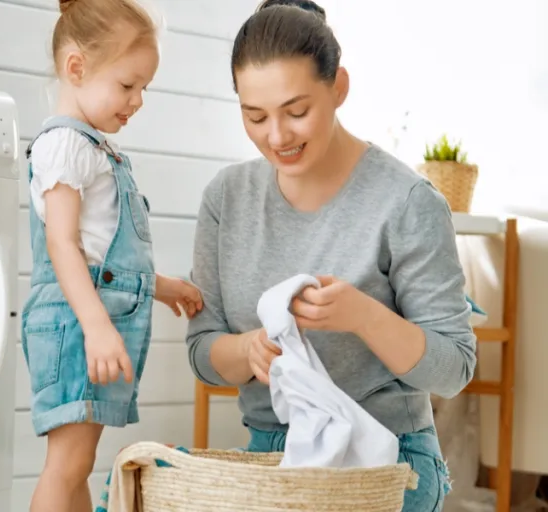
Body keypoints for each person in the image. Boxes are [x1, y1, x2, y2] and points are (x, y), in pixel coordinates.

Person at [185, 1, 474, 510]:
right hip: (272, 454)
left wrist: (363, 315)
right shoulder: (226, 198)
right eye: (255, 116)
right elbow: (203, 350)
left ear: (338, 87)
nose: (277, 137)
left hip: (387, 460)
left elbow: (453, 369)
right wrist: (248, 349)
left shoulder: (406, 202)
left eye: (297, 112)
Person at [21, 0, 204, 510]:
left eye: (144, 88)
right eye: (128, 85)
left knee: (77, 465)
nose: (138, 100)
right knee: (66, 466)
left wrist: (160, 287)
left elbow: (105, 254)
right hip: (76, 326)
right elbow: (63, 245)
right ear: (76, 68)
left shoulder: (91, 148)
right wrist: (97, 325)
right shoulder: (66, 144)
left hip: (87, 321)